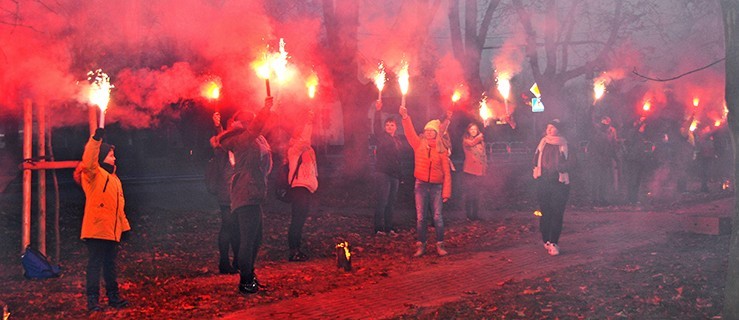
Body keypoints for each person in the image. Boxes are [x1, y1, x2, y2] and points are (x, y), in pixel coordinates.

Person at [217, 97, 273, 295]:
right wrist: (265, 109)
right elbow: (257, 128)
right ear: (246, 123)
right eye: (251, 120)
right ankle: (246, 281)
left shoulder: (244, 138)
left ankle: (249, 275)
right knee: (248, 240)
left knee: (256, 238)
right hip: (246, 192)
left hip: (250, 193)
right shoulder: (243, 138)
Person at [74, 127, 131, 311]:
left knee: (110, 266)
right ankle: (93, 300)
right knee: (95, 265)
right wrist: (96, 140)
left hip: (111, 231)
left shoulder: (114, 179)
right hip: (96, 229)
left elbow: (118, 208)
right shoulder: (93, 174)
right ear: (102, 155)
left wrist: (124, 227)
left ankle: (113, 297)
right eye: (111, 155)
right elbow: (89, 159)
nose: (114, 158)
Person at [399, 105, 452, 257]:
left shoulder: (441, 149)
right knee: (421, 218)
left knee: (437, 217)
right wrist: (405, 117)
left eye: (431, 131)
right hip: (421, 185)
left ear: (436, 133)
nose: (428, 133)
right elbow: (409, 132)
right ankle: (421, 245)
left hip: (436, 187)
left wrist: (446, 192)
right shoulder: (418, 144)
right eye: (427, 130)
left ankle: (440, 245)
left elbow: (447, 173)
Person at [532, 119, 573, 256]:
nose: (549, 129)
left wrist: (563, 166)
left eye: (553, 127)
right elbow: (534, 160)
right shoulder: (542, 143)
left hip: (559, 184)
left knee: (557, 213)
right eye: (548, 127)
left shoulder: (565, 144)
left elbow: (572, 162)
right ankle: (546, 239)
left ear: (558, 130)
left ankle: (554, 242)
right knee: (546, 212)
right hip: (543, 182)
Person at [206, 112, 239, 274]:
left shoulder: (234, 147)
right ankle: (225, 262)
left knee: (235, 227)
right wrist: (217, 125)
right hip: (227, 192)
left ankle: (236, 261)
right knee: (229, 226)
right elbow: (221, 139)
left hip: (235, 192)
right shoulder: (222, 149)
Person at [286, 110, 318, 262]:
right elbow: (304, 140)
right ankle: (294, 251)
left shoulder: (309, 151)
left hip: (306, 189)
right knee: (297, 220)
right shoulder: (294, 150)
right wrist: (309, 121)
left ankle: (297, 249)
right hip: (298, 189)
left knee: (300, 220)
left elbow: (313, 171)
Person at [373, 115, 403, 235]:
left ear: (396, 127)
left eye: (392, 125)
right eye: (387, 125)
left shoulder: (397, 140)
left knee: (391, 202)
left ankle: (389, 227)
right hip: (383, 173)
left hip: (394, 175)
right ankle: (379, 228)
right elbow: (376, 127)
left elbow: (398, 159)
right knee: (382, 200)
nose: (389, 127)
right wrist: (378, 111)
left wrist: (401, 176)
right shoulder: (382, 138)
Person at [589, 116, 618, 206]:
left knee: (604, 179)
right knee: (596, 179)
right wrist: (592, 106)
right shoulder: (597, 129)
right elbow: (590, 119)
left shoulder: (612, 131)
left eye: (607, 121)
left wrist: (615, 159)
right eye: (603, 121)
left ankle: (602, 198)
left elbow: (613, 145)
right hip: (596, 158)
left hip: (606, 158)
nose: (605, 123)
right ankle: (595, 199)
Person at [462, 123, 487, 221]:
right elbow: (471, 144)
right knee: (470, 194)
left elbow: (483, 156)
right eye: (471, 129)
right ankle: (469, 215)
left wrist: (484, 168)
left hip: (479, 172)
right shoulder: (466, 141)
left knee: (477, 194)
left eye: (475, 129)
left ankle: (475, 215)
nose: (473, 131)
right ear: (468, 131)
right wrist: (479, 138)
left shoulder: (481, 142)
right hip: (469, 171)